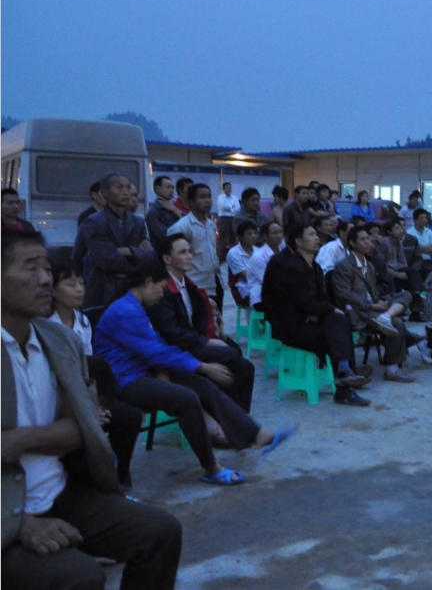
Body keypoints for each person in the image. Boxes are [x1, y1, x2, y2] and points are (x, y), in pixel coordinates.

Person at [1, 230, 182, 590]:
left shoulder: (61, 342)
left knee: (161, 531)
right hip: (8, 509)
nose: (45, 279)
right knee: (81, 576)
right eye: (31, 268)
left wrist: (19, 440)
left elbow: (83, 428)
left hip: (63, 491)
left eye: (46, 268)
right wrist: (18, 523)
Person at [94, 257, 292, 487]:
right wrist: (202, 366)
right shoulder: (125, 311)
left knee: (203, 385)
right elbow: (156, 351)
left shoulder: (136, 307)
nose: (161, 294)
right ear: (148, 283)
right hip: (124, 380)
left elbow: (156, 348)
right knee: (187, 398)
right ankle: (212, 467)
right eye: (161, 288)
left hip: (144, 370)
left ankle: (255, 434)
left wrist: (195, 369)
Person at [46, 256, 143, 489]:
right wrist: (86, 412)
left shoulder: (83, 322)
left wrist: (96, 405)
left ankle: (117, 480)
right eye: (71, 284)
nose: (80, 289)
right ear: (53, 291)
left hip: (85, 396)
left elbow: (88, 370)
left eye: (81, 283)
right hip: (58, 402)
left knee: (128, 417)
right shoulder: (44, 326)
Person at [261, 224, 371, 406]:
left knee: (339, 322)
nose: (316, 238)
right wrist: (324, 310)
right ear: (298, 241)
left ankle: (345, 375)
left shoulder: (316, 267)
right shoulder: (291, 267)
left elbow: (319, 301)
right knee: (336, 332)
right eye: (311, 235)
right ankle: (345, 378)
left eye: (316, 234)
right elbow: (304, 303)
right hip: (292, 326)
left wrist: (319, 312)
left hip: (311, 320)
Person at [150, 234, 256, 413]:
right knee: (230, 355)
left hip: (192, 339)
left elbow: (200, 319)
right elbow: (169, 331)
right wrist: (205, 341)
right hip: (176, 347)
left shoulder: (188, 284)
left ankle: (236, 416)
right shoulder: (162, 289)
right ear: (167, 258)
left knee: (242, 361)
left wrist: (213, 333)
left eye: (189, 251)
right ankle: (224, 416)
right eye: (182, 252)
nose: (189, 256)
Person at [332, 226, 424, 382]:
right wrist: (370, 305)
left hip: (374, 306)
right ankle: (392, 370)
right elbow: (345, 294)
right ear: (352, 243)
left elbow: (373, 292)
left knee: (407, 294)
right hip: (359, 310)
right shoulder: (344, 266)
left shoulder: (369, 265)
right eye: (363, 239)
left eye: (369, 239)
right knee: (397, 323)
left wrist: (379, 301)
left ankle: (386, 316)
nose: (368, 242)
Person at [77, 174, 153, 320]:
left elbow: (150, 256)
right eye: (119, 187)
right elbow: (106, 260)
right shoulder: (94, 221)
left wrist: (129, 251)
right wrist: (137, 255)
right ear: (106, 192)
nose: (126, 192)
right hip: (104, 291)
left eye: (128, 187)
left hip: (133, 288)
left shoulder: (137, 221)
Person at [166, 183, 223, 313]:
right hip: (195, 284)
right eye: (202, 197)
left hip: (214, 282)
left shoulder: (211, 225)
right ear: (191, 202)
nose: (208, 200)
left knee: (216, 319)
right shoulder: (182, 227)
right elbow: (173, 257)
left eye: (209, 196)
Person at [247, 222, 284, 311]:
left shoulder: (283, 252)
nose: (279, 236)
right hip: (262, 297)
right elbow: (268, 281)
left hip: (280, 293)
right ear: (265, 236)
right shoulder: (258, 256)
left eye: (280, 232)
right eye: (275, 233)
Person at [145, 175, 183, 251]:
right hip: (163, 253)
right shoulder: (153, 212)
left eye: (172, 188)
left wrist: (174, 209)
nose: (171, 190)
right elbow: (165, 235)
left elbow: (189, 222)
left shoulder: (174, 208)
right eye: (168, 187)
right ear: (157, 189)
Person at [215, 182, 241, 259]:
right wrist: (232, 207)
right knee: (222, 239)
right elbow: (223, 207)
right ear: (223, 189)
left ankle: (233, 257)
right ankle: (221, 258)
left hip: (233, 218)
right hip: (224, 219)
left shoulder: (234, 198)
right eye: (227, 187)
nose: (229, 189)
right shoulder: (220, 197)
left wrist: (230, 208)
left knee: (233, 238)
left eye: (229, 187)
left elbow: (238, 208)